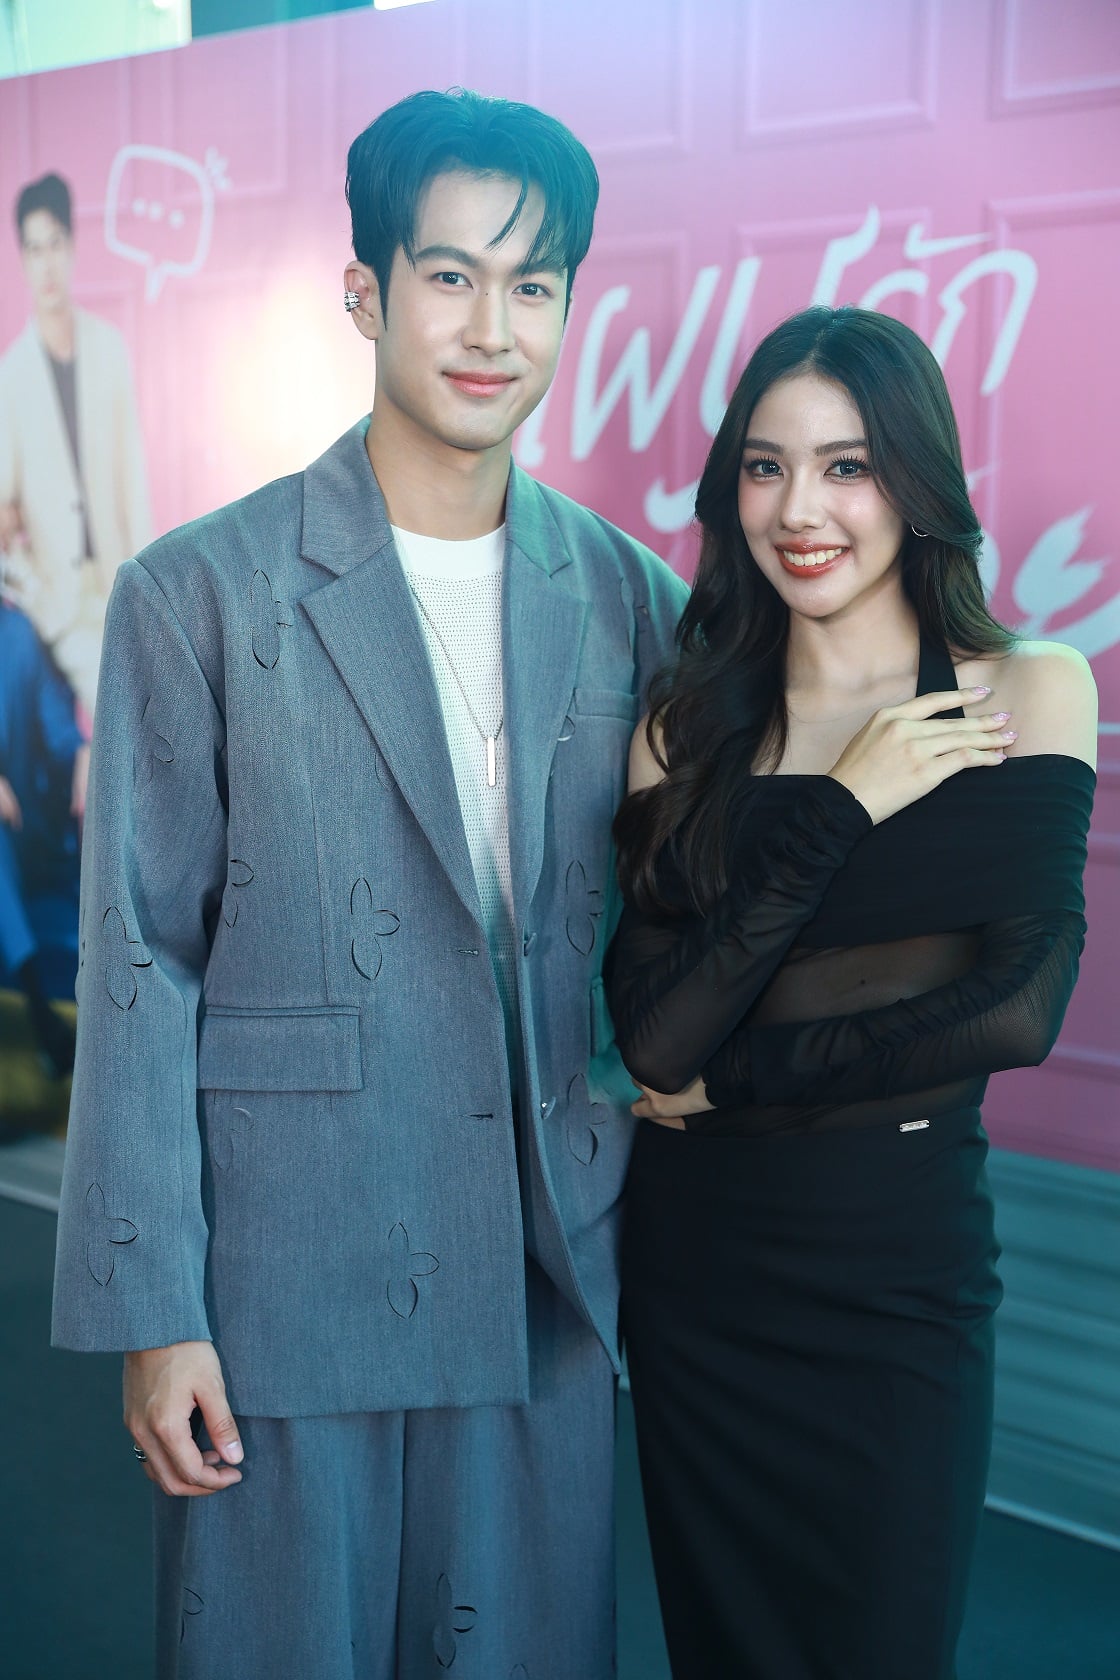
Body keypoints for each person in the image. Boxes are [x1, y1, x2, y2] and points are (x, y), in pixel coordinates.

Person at [51, 89, 686, 1679]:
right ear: (366, 292)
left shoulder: (634, 598)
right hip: (288, 1271)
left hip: (547, 1268)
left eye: (532, 284)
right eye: (450, 275)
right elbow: (138, 960)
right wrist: (156, 1311)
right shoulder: (198, 591)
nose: (492, 327)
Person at [606, 305, 1097, 1680]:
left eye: (847, 466)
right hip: (702, 1284)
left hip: (896, 1278)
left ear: (914, 479)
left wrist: (738, 1081)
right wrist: (840, 802)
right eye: (765, 467)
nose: (799, 510)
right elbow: (653, 1039)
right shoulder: (682, 727)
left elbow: (1016, 1009)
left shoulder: (1025, 690)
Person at [0, 171, 151, 720]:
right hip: (59, 608)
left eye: (55, 244)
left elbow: (132, 481)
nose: (46, 264)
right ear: (22, 259)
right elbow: (3, 513)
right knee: (122, 704)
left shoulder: (108, 348)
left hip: (119, 582)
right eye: (34, 250)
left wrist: (149, 582)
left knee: (171, 695)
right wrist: (33, 592)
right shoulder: (11, 376)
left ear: (73, 246)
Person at [0, 598, 85, 1078]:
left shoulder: (17, 634)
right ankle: (41, 1013)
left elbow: (57, 726)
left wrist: (86, 753)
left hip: (29, 834)